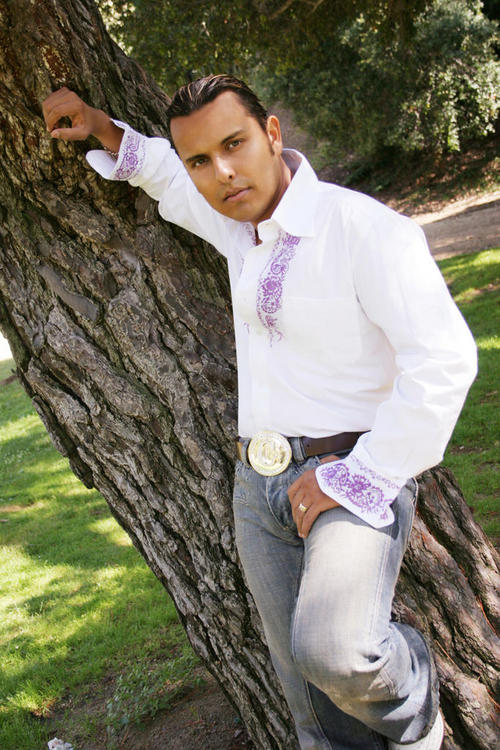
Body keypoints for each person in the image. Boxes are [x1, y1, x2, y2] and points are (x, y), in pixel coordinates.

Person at [42, 76, 477, 750]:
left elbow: (444, 361)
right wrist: (100, 126)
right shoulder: (236, 225)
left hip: (351, 471)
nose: (220, 172)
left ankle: (415, 711)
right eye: (201, 159)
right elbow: (167, 177)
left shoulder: (363, 229)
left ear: (272, 134)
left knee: (337, 653)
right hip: (258, 482)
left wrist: (358, 475)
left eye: (234, 144)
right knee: (310, 706)